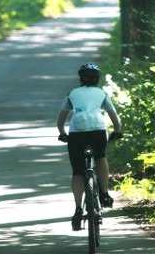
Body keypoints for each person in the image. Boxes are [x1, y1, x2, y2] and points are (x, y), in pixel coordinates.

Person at [56, 63, 122, 231]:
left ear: (81, 78)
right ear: (97, 79)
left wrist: (63, 133)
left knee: (78, 172)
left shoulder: (72, 94)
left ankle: (78, 209)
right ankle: (105, 194)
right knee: (100, 157)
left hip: (77, 134)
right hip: (98, 131)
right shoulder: (102, 93)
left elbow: (61, 119)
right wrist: (117, 131)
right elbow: (115, 117)